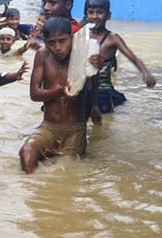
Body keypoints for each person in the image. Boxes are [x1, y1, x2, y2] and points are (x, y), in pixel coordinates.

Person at [18, 17, 100, 174]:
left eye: (62, 41)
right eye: (51, 42)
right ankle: (29, 188)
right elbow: (34, 94)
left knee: (63, 170)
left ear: (71, 38)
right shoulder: (42, 55)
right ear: (45, 41)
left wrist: (95, 106)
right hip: (49, 126)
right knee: (26, 153)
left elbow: (95, 78)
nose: (57, 47)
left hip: (74, 130)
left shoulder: (83, 55)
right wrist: (60, 91)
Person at [84, 0, 157, 113]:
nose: (95, 16)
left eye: (100, 13)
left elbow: (132, 57)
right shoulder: (82, 35)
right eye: (91, 12)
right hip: (84, 91)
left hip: (103, 93)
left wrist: (145, 72)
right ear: (86, 15)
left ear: (108, 16)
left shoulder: (112, 38)